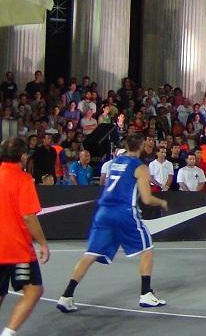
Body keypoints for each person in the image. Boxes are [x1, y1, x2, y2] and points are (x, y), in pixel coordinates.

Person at [56, 134, 169, 313]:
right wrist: (162, 202)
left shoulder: (115, 162)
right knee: (147, 249)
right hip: (124, 212)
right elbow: (147, 199)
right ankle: (146, 294)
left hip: (103, 212)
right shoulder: (140, 167)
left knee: (90, 254)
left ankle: (66, 296)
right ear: (141, 146)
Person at [0, 137, 50, 336]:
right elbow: (28, 216)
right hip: (17, 249)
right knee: (34, 289)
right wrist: (43, 243)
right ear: (23, 156)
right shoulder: (23, 179)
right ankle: (8, 333)